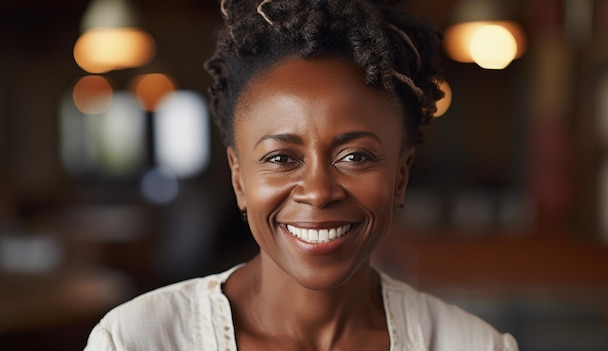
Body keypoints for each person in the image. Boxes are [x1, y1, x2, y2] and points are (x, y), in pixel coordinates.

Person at [84, 0, 519, 350]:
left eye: (355, 157)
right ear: (239, 178)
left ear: (400, 177)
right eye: (280, 158)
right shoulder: (136, 340)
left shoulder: (473, 344)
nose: (318, 191)